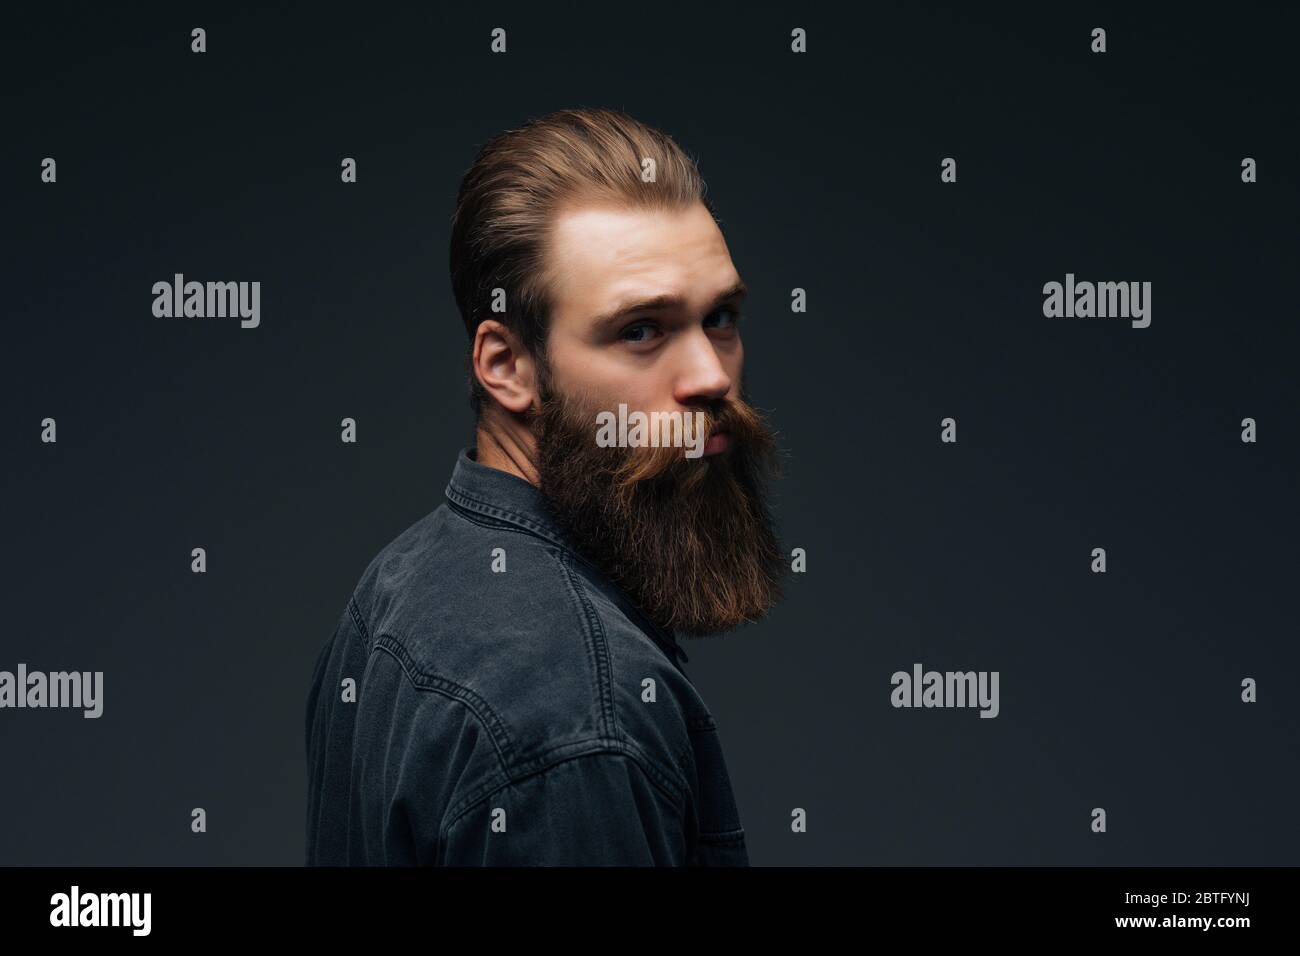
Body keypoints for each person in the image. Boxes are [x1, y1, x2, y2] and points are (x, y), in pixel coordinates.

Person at [305, 107, 786, 865]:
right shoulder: (579, 723)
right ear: (506, 366)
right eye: (641, 330)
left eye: (720, 317)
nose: (711, 376)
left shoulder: (398, 581)